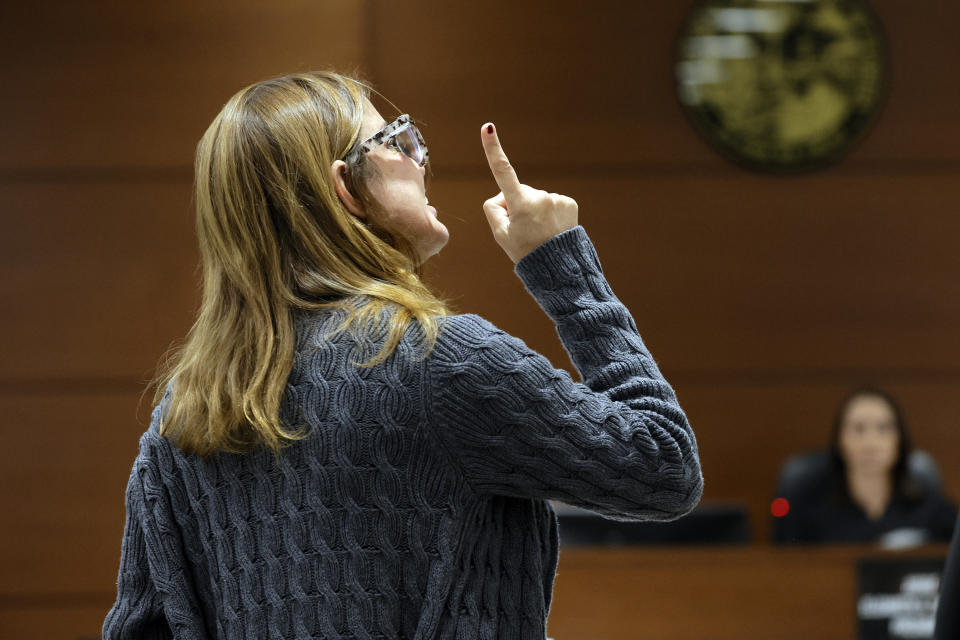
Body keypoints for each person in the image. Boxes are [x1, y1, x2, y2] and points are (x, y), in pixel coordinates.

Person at [101, 70, 703, 639]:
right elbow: (662, 467)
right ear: (346, 188)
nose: (422, 161)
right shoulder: (443, 363)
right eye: (398, 142)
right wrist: (562, 264)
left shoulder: (182, 418)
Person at [773, 386, 956, 545]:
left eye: (883, 429)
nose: (870, 442)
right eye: (858, 429)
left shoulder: (929, 507)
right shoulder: (809, 511)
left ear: (899, 441)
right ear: (839, 441)